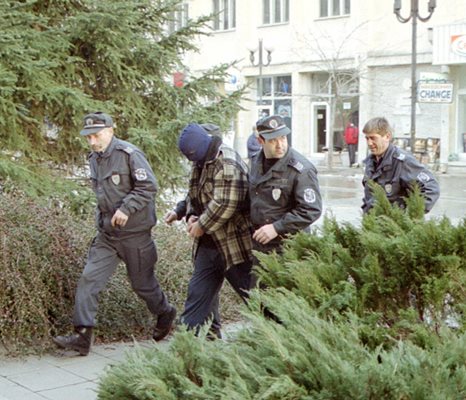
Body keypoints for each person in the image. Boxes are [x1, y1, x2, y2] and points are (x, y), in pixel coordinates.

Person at [53, 112, 176, 356]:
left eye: (96, 135)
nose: (92, 141)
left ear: (111, 130)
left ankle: (165, 312)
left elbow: (148, 187)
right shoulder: (94, 158)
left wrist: (125, 209)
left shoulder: (130, 155)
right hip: (107, 235)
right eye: (88, 137)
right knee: (89, 279)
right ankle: (82, 336)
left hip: (135, 235)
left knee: (142, 285)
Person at [167, 123, 253, 339]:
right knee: (197, 297)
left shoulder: (228, 162)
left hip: (233, 246)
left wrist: (201, 225)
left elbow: (225, 203)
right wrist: (182, 212)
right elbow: (195, 194)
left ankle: (285, 337)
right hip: (209, 246)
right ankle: (188, 347)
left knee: (254, 297)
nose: (192, 161)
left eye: (193, 156)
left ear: (203, 147)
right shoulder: (201, 160)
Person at [249, 115, 322, 278]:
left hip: (288, 248)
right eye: (273, 140)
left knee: (282, 299)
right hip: (260, 246)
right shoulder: (255, 163)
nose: (280, 144)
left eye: (283, 137)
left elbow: (311, 210)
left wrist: (276, 227)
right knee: (257, 301)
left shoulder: (301, 169)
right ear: (261, 141)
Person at [361, 117, 440, 214]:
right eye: (367, 138)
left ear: (387, 137)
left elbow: (431, 189)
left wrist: (409, 216)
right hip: (373, 224)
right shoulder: (370, 162)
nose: (369, 143)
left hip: (395, 226)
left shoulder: (403, 161)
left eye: (373, 138)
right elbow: (369, 196)